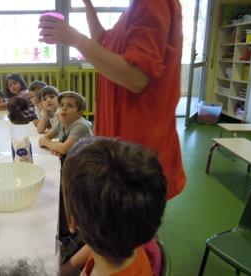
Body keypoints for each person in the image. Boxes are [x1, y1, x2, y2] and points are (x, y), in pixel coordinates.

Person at [39, 0, 186, 200]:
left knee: (130, 219)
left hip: (137, 150)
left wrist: (76, 39)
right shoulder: (134, 10)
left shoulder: (152, 3)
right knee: (125, 219)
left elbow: (136, 77)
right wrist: (87, 4)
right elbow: (103, 41)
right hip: (124, 148)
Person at [61, 137, 167, 276]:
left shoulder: (110, 238)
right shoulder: (128, 235)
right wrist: (66, 268)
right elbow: (93, 248)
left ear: (72, 221)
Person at [38, 91, 93, 157]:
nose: (64, 108)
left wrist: (48, 144)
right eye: (61, 105)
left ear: (79, 114)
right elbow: (44, 138)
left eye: (70, 106)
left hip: (85, 162)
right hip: (73, 158)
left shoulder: (80, 126)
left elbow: (64, 149)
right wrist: (55, 148)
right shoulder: (61, 122)